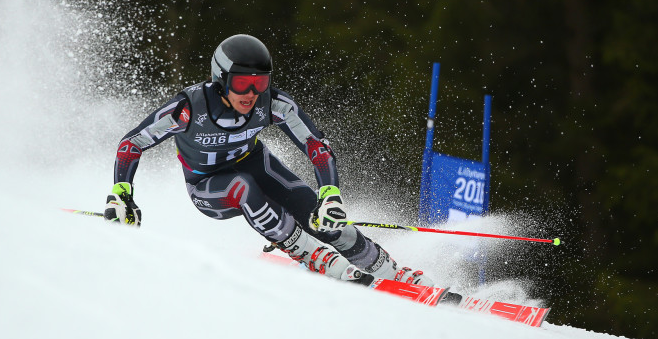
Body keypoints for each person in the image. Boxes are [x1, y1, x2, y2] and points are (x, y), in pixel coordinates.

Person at [104, 34, 432, 285]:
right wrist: (122, 194)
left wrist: (329, 195)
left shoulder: (272, 104)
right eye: (242, 83)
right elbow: (131, 144)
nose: (251, 93)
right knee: (242, 187)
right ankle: (307, 252)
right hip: (207, 186)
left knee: (319, 216)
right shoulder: (189, 108)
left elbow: (315, 145)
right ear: (221, 79)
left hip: (255, 163)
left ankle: (389, 271)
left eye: (260, 83)